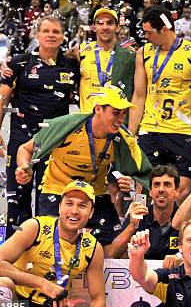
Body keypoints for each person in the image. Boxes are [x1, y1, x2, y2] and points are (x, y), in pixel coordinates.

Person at [14, 84, 152, 253]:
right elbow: (25, 149)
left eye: (124, 114)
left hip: (95, 194)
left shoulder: (123, 139)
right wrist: (24, 167)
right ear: (98, 109)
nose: (121, 119)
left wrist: (136, 197)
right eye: (116, 113)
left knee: (115, 248)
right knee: (49, 249)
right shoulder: (66, 127)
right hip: (58, 191)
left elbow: (143, 174)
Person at [0, 16, 79, 238]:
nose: (51, 35)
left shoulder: (72, 66)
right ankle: (12, 255)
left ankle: (43, 254)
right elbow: (2, 98)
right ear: (37, 35)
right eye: (46, 31)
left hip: (55, 144)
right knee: (17, 200)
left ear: (63, 37)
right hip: (21, 143)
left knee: (48, 201)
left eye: (56, 32)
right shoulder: (18, 63)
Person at [0, 181, 105, 307]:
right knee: (0, 284)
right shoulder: (35, 227)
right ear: (59, 207)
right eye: (69, 203)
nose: (74, 211)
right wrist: (41, 283)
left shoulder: (93, 247)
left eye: (82, 205)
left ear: (91, 212)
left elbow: (98, 298)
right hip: (19, 304)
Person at [130, 5, 191, 202]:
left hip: (181, 130)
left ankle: (175, 232)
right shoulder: (143, 53)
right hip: (151, 128)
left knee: (181, 192)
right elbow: (139, 95)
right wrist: (131, 134)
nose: (146, 37)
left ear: (164, 29)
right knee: (146, 190)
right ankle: (145, 231)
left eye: (149, 33)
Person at [69, 8, 136, 113]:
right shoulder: (80, 51)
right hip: (88, 123)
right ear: (94, 27)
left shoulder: (129, 56)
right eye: (100, 23)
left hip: (115, 122)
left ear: (117, 27)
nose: (105, 27)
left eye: (110, 23)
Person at [107, 164, 181, 259]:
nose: (161, 189)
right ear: (150, 191)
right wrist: (132, 225)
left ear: (177, 191)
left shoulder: (183, 217)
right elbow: (113, 254)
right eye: (156, 185)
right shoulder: (138, 214)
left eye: (167, 184)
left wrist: (179, 257)